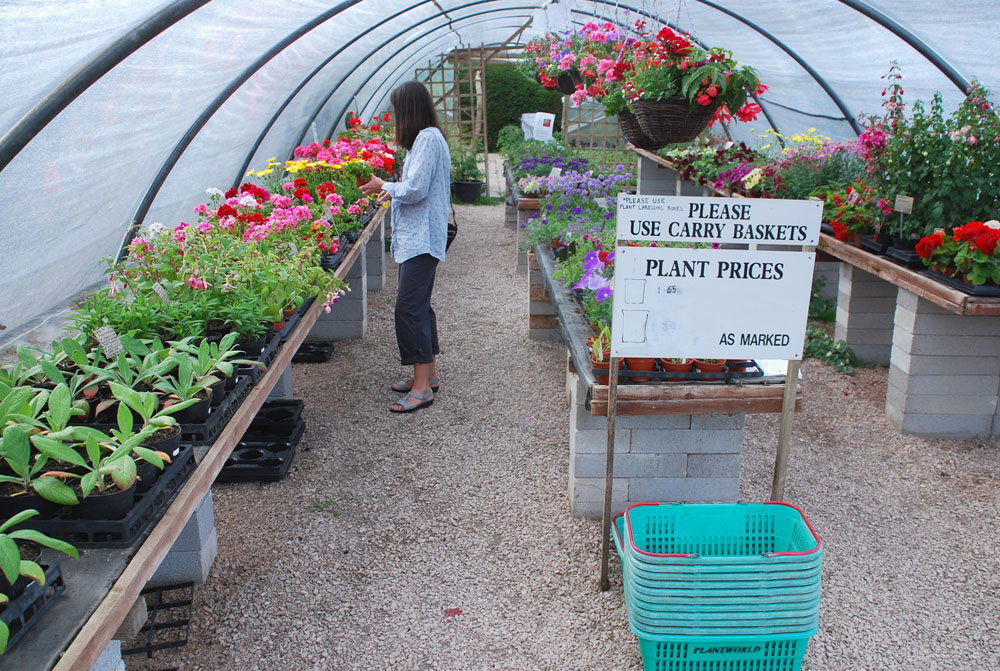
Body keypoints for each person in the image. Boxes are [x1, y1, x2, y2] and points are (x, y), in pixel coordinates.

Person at [360, 81, 450, 413]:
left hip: (422, 238)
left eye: (397, 111)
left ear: (408, 110)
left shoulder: (426, 138)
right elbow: (411, 188)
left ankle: (422, 387)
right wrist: (390, 190)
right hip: (420, 236)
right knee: (420, 306)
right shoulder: (425, 140)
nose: (395, 118)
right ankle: (430, 375)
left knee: (408, 309)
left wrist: (386, 184)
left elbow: (415, 189)